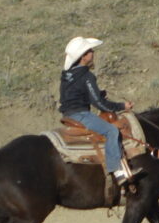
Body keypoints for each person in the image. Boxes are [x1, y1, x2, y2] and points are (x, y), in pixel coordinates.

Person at [58, 36, 141, 186]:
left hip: (68, 114)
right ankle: (117, 172)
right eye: (90, 51)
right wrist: (122, 106)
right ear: (83, 57)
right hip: (81, 115)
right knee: (111, 131)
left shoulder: (67, 75)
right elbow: (100, 104)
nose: (93, 53)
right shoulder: (87, 76)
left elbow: (75, 94)